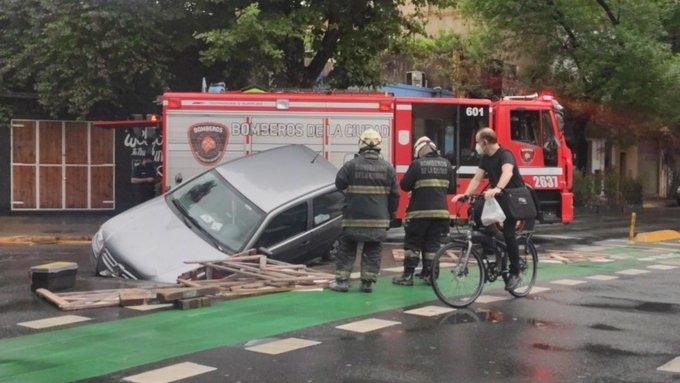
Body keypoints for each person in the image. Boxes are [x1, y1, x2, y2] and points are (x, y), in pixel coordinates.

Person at [452, 127, 525, 290]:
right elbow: (477, 178)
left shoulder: (505, 154)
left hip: (513, 198)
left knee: (508, 233)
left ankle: (516, 272)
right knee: (474, 210)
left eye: (477, 142)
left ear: (485, 142)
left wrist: (498, 188)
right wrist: (464, 195)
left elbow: (508, 172)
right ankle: (491, 248)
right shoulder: (486, 158)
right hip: (497, 197)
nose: (476, 146)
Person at [330, 129, 399, 293]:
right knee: (373, 249)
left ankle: (341, 282)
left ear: (360, 144)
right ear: (379, 146)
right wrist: (390, 217)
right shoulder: (388, 168)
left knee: (347, 247)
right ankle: (367, 283)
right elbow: (395, 196)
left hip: (353, 219)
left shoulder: (351, 165)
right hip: (379, 221)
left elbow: (339, 184)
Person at [393, 136, 455, 286]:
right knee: (433, 245)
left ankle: (408, 276)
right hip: (441, 214)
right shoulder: (446, 164)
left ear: (420, 150)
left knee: (413, 244)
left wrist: (418, 188)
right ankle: (430, 275)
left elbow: (405, 185)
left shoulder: (417, 164)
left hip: (419, 213)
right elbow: (451, 188)